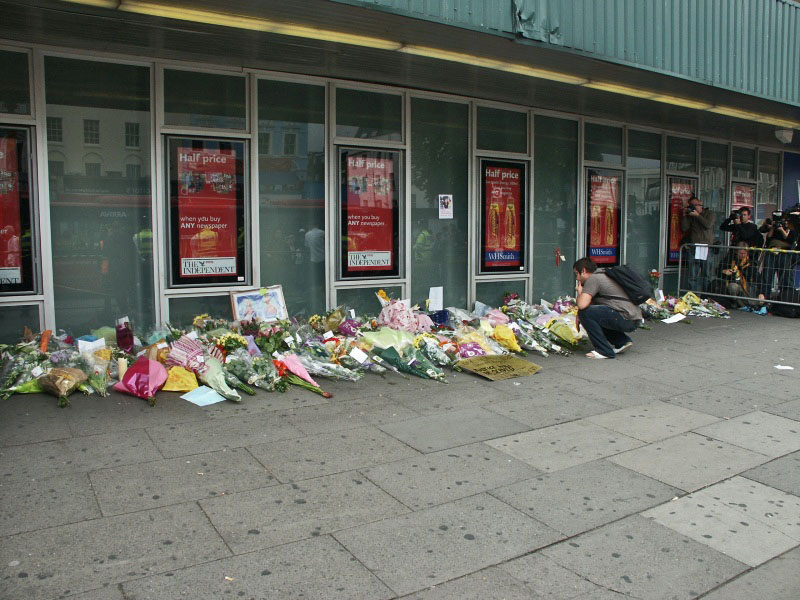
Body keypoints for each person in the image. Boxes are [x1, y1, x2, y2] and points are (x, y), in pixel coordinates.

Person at [573, 257, 642, 359]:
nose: (577, 278)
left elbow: (582, 305)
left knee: (585, 313)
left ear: (583, 271)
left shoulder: (593, 279)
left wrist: (580, 291)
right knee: (593, 314)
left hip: (625, 317)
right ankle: (622, 342)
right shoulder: (604, 274)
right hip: (633, 318)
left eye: (576, 274)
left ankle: (604, 351)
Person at [758, 212, 798, 298]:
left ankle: (785, 298)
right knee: (767, 276)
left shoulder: (791, 228)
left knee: (784, 277)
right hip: (771, 252)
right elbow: (768, 239)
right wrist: (772, 228)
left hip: (784, 254)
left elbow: (790, 241)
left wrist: (782, 230)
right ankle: (765, 299)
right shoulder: (772, 226)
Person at [680, 196, 715, 292]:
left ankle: (706, 296)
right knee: (692, 275)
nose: (694, 207)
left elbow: (708, 225)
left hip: (707, 247)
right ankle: (693, 296)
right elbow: (684, 228)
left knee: (706, 275)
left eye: (696, 205)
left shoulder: (709, 213)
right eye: (692, 205)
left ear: (701, 204)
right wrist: (685, 215)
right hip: (694, 247)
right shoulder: (691, 216)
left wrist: (698, 216)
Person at [714, 243, 763, 310]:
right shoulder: (729, 260)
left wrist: (761, 293)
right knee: (733, 287)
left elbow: (758, 278)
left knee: (756, 301)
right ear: (736, 252)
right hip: (731, 284)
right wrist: (724, 271)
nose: (743, 255)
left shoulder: (750, 263)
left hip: (746, 286)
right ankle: (738, 304)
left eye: (744, 253)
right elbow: (718, 270)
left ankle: (743, 305)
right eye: (741, 253)